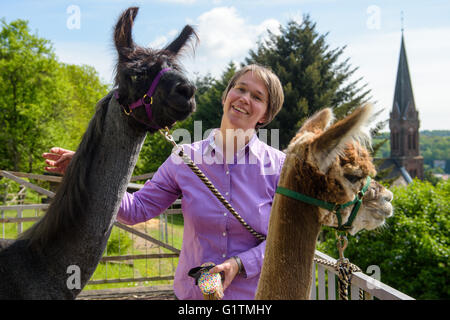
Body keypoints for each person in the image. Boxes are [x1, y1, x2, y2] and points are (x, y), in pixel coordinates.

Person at [43, 64, 285, 299]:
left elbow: (285, 241)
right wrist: (89, 170)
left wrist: (239, 265)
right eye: (240, 89)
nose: (244, 98)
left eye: (257, 97)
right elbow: (136, 209)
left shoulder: (279, 168)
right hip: (193, 297)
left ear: (266, 114)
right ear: (226, 96)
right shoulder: (184, 159)